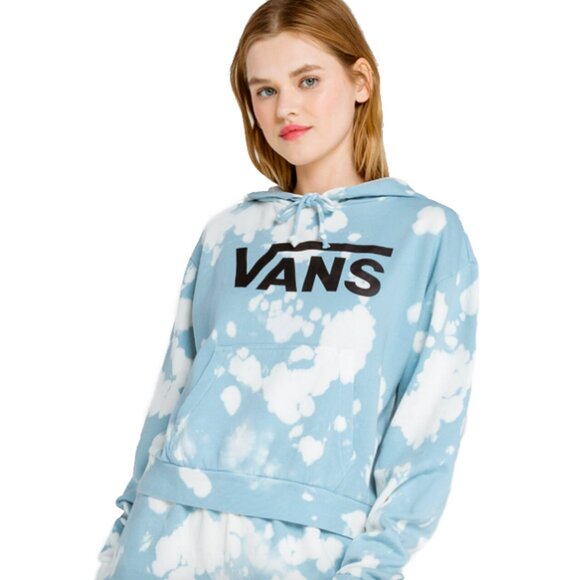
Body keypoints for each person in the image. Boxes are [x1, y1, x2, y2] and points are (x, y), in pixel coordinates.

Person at [95, 0, 480, 578]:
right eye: (265, 90)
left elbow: (429, 423)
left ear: (360, 81)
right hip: (168, 533)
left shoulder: (425, 232)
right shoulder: (227, 232)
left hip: (315, 546)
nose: (286, 108)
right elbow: (174, 388)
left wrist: (374, 564)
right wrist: (121, 538)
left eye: (308, 80)